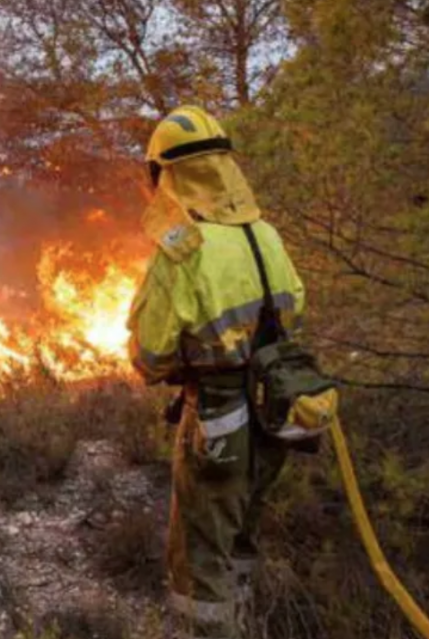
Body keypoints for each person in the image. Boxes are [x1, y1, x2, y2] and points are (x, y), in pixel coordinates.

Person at [127, 106, 306, 638]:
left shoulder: (185, 250)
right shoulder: (267, 235)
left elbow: (150, 355)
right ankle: (246, 622)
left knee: (201, 551)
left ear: (167, 176)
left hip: (219, 417)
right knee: (243, 529)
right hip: (276, 412)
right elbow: (294, 306)